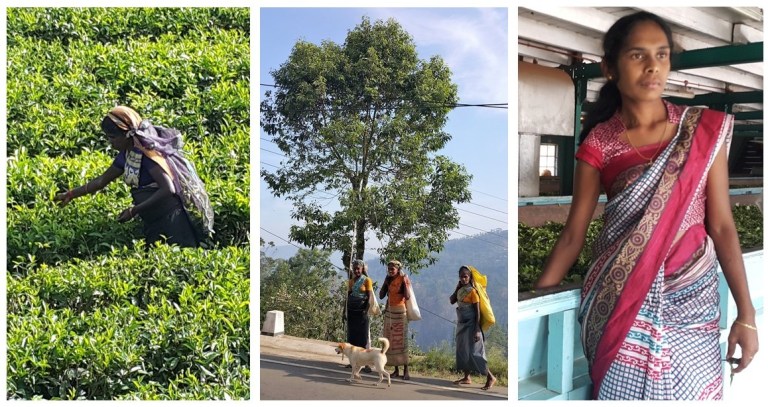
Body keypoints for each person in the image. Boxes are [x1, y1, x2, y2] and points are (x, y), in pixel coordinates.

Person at [535, 11, 758, 400]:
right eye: (638, 55)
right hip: (617, 299)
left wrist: (747, 314)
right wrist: (538, 303)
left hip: (693, 300)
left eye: (662, 54)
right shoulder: (600, 143)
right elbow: (574, 234)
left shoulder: (702, 129)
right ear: (610, 66)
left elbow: (721, 225)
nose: (654, 66)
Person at [54, 106, 213, 248]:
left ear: (128, 135)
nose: (111, 143)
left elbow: (167, 189)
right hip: (152, 219)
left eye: (113, 137)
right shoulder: (127, 154)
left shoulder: (149, 156)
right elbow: (101, 181)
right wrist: (71, 194)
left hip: (171, 220)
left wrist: (134, 210)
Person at [449, 265, 496, 390]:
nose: (463, 279)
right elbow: (452, 300)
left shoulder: (473, 291)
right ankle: (466, 377)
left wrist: (476, 329)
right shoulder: (460, 290)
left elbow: (477, 312)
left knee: (476, 351)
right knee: (462, 349)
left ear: (470, 277)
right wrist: (457, 288)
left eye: (465, 276)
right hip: (462, 322)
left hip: (472, 324)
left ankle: (490, 377)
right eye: (461, 277)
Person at [379, 259, 411, 380]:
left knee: (401, 342)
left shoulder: (403, 279)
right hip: (389, 312)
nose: (390, 271)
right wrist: (386, 284)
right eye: (389, 269)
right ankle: (396, 370)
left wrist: (405, 282)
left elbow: (407, 296)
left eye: (393, 269)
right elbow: (381, 295)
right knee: (391, 342)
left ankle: (406, 370)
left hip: (400, 312)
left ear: (398, 269)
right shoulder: (388, 279)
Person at [344, 259, 375, 373]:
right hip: (352, 311)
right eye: (355, 268)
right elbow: (347, 297)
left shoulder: (367, 280)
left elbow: (369, 297)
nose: (356, 270)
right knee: (352, 337)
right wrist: (344, 311)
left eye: (359, 268)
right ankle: (353, 362)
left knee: (362, 338)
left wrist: (366, 311)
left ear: (362, 269)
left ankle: (366, 364)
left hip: (362, 312)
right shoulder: (351, 281)